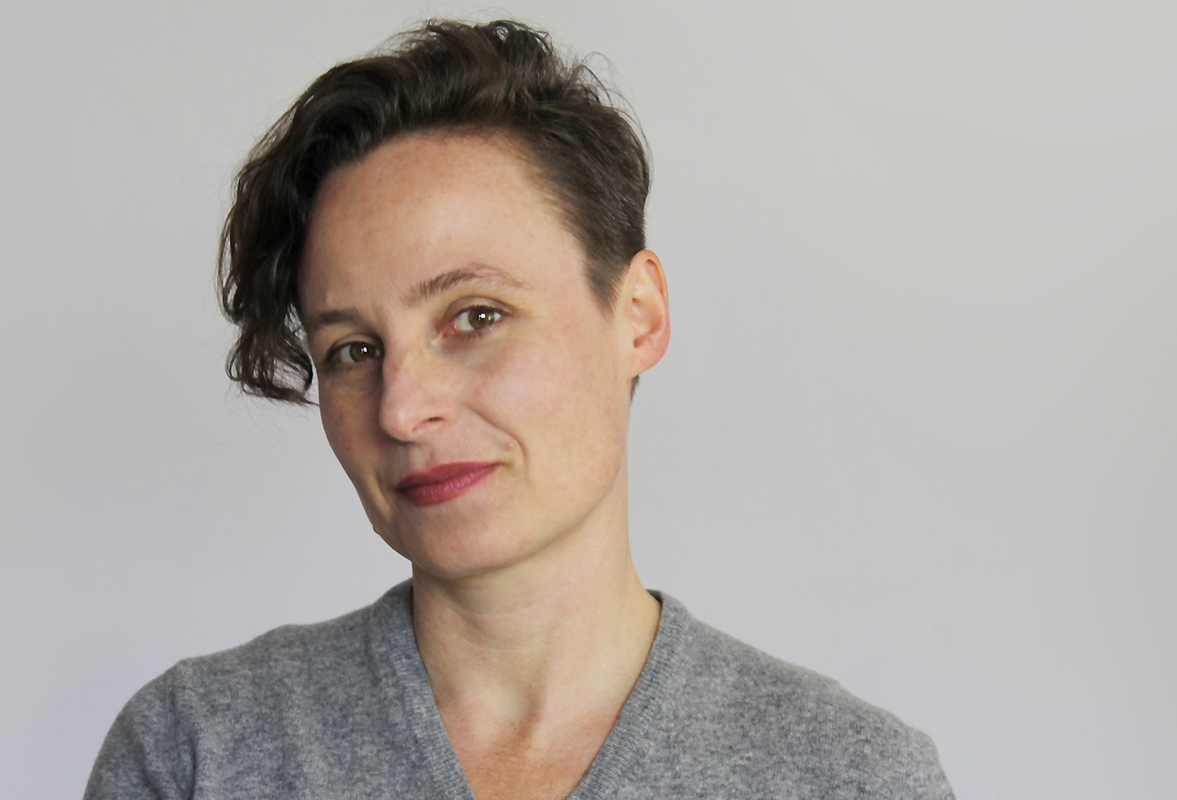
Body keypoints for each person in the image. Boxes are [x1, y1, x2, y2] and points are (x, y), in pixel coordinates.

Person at [85, 19, 953, 799]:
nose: (402, 410)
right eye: (353, 350)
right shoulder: (197, 751)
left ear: (638, 315)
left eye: (475, 317)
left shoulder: (851, 777)